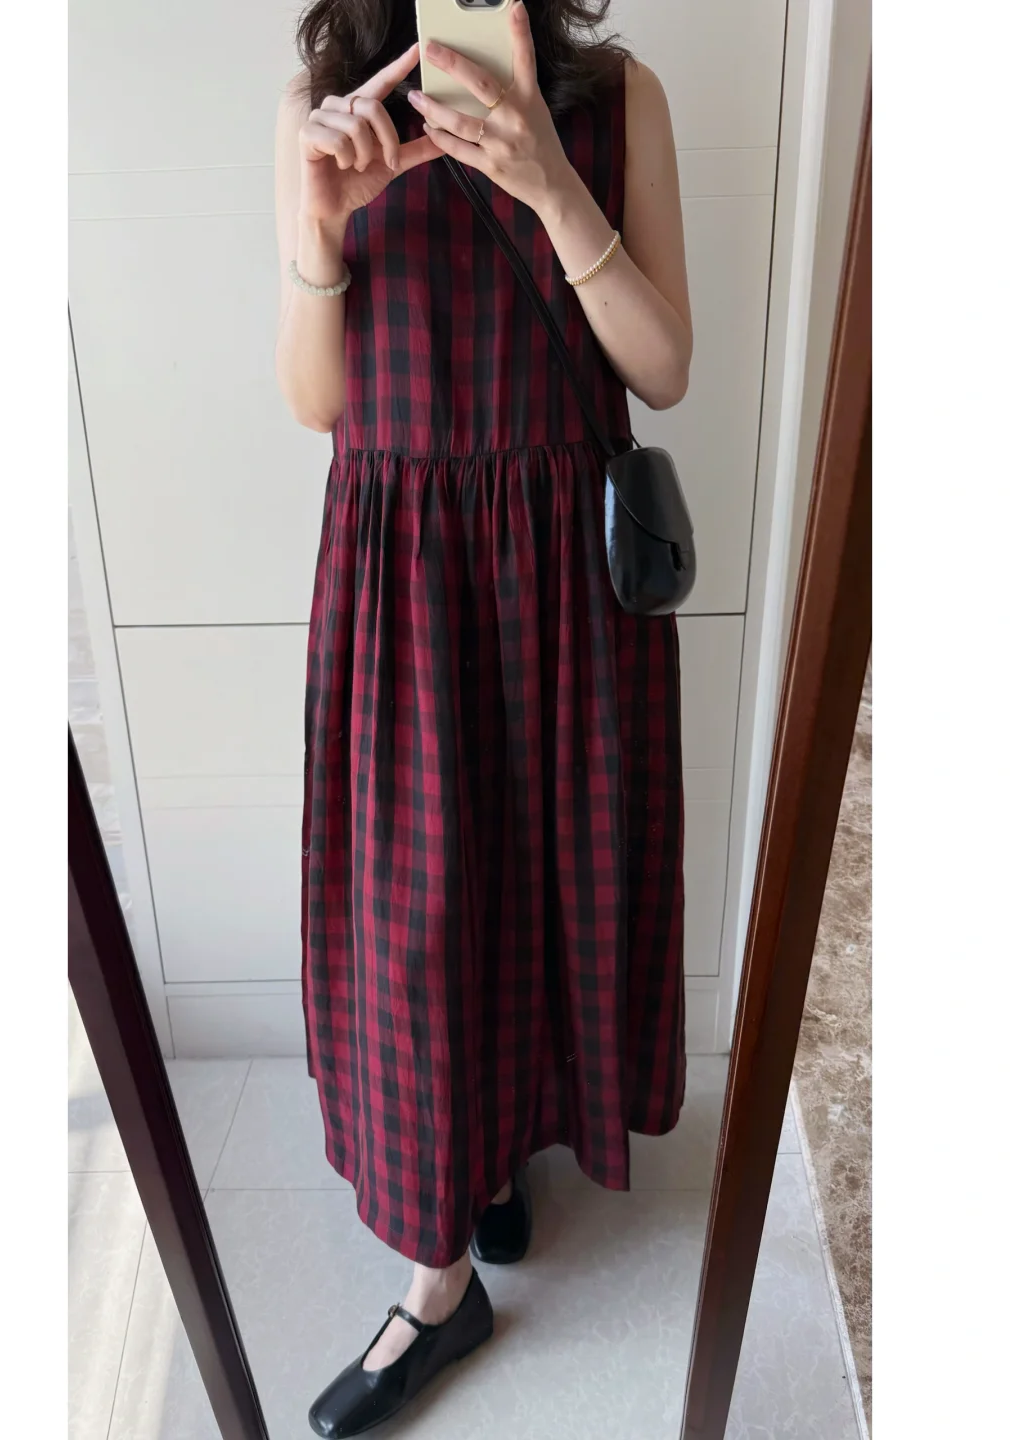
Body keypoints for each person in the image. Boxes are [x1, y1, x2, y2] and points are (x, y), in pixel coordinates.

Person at [275, 2, 692, 1433]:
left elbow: (663, 367)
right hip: (403, 572)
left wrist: (554, 188)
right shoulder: (323, 104)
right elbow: (315, 399)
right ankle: (437, 1280)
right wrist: (319, 227)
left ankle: (496, 1150)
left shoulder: (618, 98)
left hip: (564, 568)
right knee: (417, 918)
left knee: (546, 888)